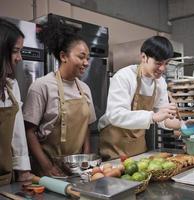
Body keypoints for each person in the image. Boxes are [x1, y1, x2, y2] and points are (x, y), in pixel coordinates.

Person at [23, 16, 96, 176]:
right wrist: (48, 167)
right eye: (81, 57)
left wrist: (86, 159)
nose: (86, 63)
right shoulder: (42, 86)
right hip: (47, 170)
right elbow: (29, 132)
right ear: (63, 56)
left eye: (88, 58)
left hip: (77, 168)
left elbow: (87, 128)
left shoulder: (85, 89)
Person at [98, 36, 180, 160]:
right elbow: (115, 115)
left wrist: (182, 125)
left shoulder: (160, 83)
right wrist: (152, 116)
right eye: (158, 63)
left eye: (166, 63)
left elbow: (162, 118)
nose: (163, 68)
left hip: (138, 148)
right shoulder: (124, 77)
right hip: (115, 146)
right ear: (143, 57)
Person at [0, 18, 32, 185]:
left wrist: (23, 171)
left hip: (5, 178)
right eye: (15, 51)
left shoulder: (11, 87)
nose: (19, 58)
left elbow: (17, 133)